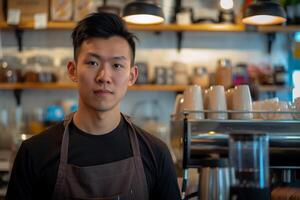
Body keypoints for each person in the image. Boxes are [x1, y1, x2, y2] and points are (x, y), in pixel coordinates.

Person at [6, 12, 181, 200]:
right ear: (72, 71)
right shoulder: (34, 153)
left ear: (132, 76)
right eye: (92, 62)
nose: (104, 76)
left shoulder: (156, 154)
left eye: (117, 65)